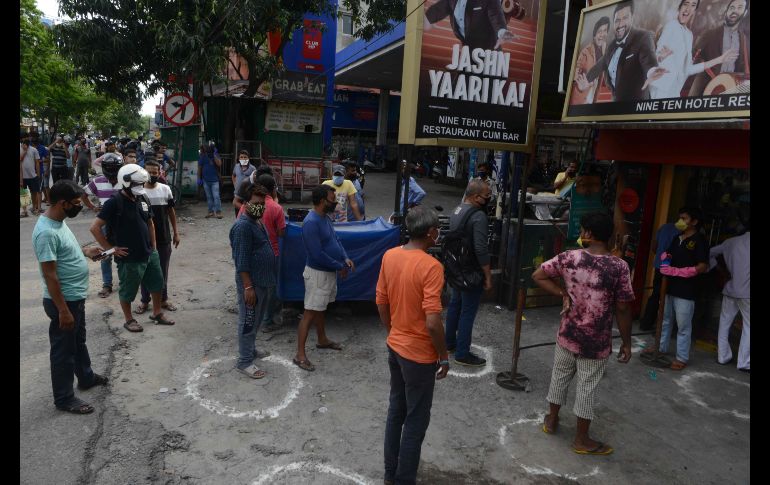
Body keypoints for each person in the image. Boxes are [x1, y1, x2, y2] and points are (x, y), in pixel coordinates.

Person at [533, 212, 634, 456]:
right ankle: (581, 439)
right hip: (596, 341)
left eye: (582, 230)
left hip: (567, 333)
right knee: (587, 388)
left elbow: (538, 275)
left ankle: (552, 420)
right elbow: (622, 307)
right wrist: (627, 342)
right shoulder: (619, 267)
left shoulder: (570, 257)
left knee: (559, 377)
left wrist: (563, 294)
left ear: (588, 233)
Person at [377, 207, 449, 484]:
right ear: (431, 233)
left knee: (396, 411)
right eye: (437, 231)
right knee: (416, 421)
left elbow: (381, 302)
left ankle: (389, 475)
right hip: (418, 355)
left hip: (396, 346)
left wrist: (393, 331)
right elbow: (433, 322)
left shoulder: (390, 255)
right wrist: (443, 356)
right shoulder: (431, 266)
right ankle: (404, 479)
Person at [33, 180, 109, 414]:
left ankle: (85, 377)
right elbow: (50, 275)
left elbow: (66, 252)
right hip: (63, 301)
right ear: (62, 203)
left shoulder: (59, 222)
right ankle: (64, 398)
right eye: (76, 204)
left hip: (75, 297)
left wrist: (86, 252)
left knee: (78, 341)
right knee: (63, 351)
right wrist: (63, 310)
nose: (79, 207)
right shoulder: (46, 232)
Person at [89, 164, 175, 332]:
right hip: (129, 257)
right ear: (125, 182)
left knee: (157, 283)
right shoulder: (114, 202)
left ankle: (157, 313)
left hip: (149, 253)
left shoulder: (142, 198)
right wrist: (112, 249)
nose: (140, 187)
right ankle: (129, 320)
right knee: (128, 290)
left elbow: (149, 223)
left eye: (141, 184)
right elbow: (95, 228)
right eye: (136, 184)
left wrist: (154, 247)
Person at [294, 185, 355, 372]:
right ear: (322, 201)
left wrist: (344, 258)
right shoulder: (311, 222)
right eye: (332, 199)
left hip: (328, 273)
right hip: (317, 275)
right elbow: (316, 254)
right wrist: (340, 266)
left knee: (321, 308)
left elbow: (336, 240)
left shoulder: (325, 218)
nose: (335, 202)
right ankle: (300, 355)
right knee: (310, 312)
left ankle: (322, 339)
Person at [642, 207, 709, 370]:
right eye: (680, 218)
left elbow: (702, 266)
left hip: (686, 290)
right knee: (664, 319)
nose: (680, 222)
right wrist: (666, 261)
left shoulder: (700, 240)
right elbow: (669, 254)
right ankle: (662, 347)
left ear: (694, 222)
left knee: (683, 325)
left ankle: (682, 357)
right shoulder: (677, 237)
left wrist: (680, 271)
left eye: (684, 218)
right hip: (669, 286)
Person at [229, 182, 275, 378]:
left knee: (256, 320)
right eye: (256, 203)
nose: (261, 207)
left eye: (263, 204)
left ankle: (251, 350)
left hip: (262, 282)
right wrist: (248, 287)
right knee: (248, 322)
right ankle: (245, 361)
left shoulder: (257, 220)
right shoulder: (243, 227)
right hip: (252, 285)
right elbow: (241, 261)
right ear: (245, 203)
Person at [576, 1, 667, 101]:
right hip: (616, 105)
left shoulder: (643, 37)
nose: (620, 24)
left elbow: (647, 57)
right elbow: (599, 66)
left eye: (625, 18)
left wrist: (652, 71)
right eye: (617, 20)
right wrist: (587, 80)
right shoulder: (611, 46)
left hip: (637, 107)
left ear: (632, 18)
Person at [445, 180, 492, 366]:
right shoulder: (478, 216)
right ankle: (462, 353)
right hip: (471, 271)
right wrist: (488, 276)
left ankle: (449, 343)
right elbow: (481, 249)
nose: (489, 199)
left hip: (456, 269)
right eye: (486, 196)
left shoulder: (457, 210)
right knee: (467, 311)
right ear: (474, 196)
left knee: (455, 304)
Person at [650, 0, 738, 99]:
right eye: (686, 4)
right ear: (680, 7)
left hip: (674, 92)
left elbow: (688, 69)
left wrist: (720, 59)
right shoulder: (671, 26)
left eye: (693, 5)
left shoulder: (689, 35)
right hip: (660, 89)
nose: (688, 8)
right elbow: (658, 55)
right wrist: (660, 57)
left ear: (695, 10)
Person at [135, 160, 180, 315]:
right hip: (143, 238)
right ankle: (144, 301)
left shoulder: (166, 189)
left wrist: (176, 232)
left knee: (163, 270)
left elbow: (171, 212)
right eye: (150, 172)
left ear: (160, 172)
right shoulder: (139, 192)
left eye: (155, 172)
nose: (153, 175)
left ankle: (163, 299)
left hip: (164, 237)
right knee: (145, 270)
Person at [83, 153, 124, 298]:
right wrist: (92, 207)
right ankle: (107, 284)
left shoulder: (125, 181)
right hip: (104, 223)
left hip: (122, 223)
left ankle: (124, 282)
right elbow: (83, 193)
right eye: (110, 167)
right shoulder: (98, 181)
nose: (113, 171)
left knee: (122, 252)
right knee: (106, 253)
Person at [688, 0, 749, 96]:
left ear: (745, 12)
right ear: (727, 11)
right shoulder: (709, 34)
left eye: (739, 7)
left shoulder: (744, 39)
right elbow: (692, 58)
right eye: (732, 8)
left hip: (728, 91)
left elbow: (743, 67)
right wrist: (710, 68)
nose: (734, 10)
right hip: (703, 89)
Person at [709, 230, 749, 372]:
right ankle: (744, 362)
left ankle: (722, 356)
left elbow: (710, 253)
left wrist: (718, 269)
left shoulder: (730, 242)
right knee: (749, 327)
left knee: (724, 323)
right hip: (747, 292)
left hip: (731, 288)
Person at [254, 174, 286, 333]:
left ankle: (255, 319)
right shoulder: (275, 208)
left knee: (256, 286)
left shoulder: (250, 205)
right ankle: (267, 321)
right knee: (271, 287)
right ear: (273, 189)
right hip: (271, 252)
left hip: (254, 253)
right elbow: (281, 233)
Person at [424, 0, 516, 51]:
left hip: (489, 55)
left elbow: (496, 16)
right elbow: (437, 10)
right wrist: (425, 20)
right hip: (468, 55)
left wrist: (503, 32)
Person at [639, 221, 680, 330]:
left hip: (659, 266)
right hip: (671, 269)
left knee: (656, 294)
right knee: (667, 298)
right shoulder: (681, 231)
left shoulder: (665, 227)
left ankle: (646, 323)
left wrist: (660, 257)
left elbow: (654, 246)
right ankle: (663, 328)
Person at [570, 16, 610, 105]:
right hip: (580, 98)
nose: (602, 34)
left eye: (605, 31)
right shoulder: (586, 52)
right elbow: (575, 71)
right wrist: (580, 84)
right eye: (599, 31)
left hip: (592, 98)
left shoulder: (604, 51)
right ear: (594, 34)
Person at [198, 143, 223, 218]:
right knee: (209, 197)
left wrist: (215, 155)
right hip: (206, 180)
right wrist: (199, 178)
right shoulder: (203, 156)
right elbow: (199, 168)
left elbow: (219, 164)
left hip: (215, 180)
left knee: (216, 196)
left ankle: (218, 212)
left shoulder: (216, 155)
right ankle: (210, 212)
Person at [20, 136, 42, 217]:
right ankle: (24, 211)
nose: (24, 144)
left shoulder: (34, 150)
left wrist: (38, 174)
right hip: (22, 176)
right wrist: (25, 151)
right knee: (23, 194)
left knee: (34, 192)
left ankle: (34, 208)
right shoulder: (20, 149)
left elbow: (37, 162)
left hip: (33, 176)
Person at [231, 150, 256, 217]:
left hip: (247, 195)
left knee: (247, 214)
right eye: (241, 157)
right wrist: (235, 185)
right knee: (238, 215)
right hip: (237, 195)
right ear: (239, 159)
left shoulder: (252, 168)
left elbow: (255, 181)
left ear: (248, 158)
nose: (243, 159)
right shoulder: (236, 166)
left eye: (245, 157)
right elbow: (233, 175)